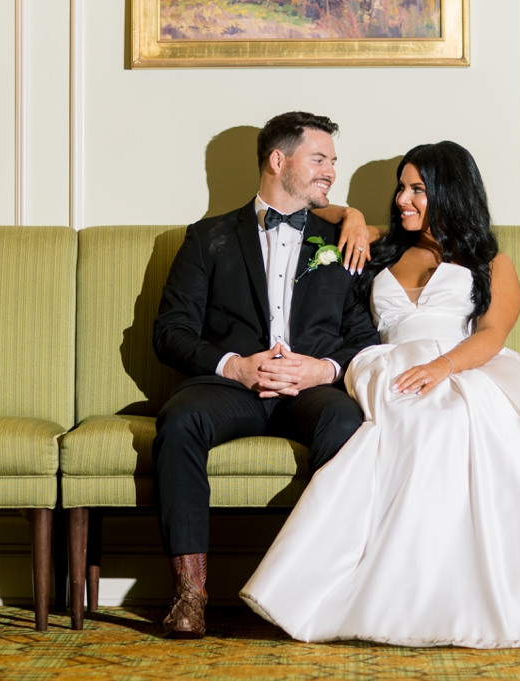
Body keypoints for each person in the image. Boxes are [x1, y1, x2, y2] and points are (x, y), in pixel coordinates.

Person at [240, 143, 520, 649]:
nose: (402, 200)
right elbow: (308, 209)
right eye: (401, 187)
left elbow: (493, 334)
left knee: (458, 424)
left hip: (464, 364)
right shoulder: (382, 246)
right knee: (407, 425)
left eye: (417, 189)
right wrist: (351, 215)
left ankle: (484, 596)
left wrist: (441, 368)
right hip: (387, 365)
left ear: (449, 192)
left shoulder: (491, 260)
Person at [149, 111, 379, 639]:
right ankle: (190, 593)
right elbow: (170, 331)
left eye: (333, 162)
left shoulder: (343, 240)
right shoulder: (207, 238)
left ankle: (318, 590)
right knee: (179, 420)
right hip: (231, 389)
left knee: (347, 424)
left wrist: (322, 368)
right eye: (319, 159)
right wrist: (237, 365)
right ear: (279, 160)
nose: (330, 172)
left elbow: (364, 339)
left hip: (312, 392)